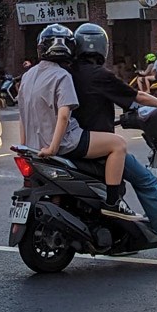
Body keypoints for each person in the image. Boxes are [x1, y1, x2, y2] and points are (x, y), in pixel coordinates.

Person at [67, 23, 157, 239]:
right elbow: (138, 97)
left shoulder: (67, 73)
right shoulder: (100, 75)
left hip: (72, 141)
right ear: (103, 47)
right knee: (147, 182)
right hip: (99, 147)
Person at [20, 24, 137, 221]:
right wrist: (53, 148)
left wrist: (25, 146)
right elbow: (64, 116)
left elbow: (23, 117)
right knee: (119, 144)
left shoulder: (27, 76)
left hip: (33, 147)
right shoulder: (62, 75)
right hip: (66, 142)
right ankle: (113, 202)